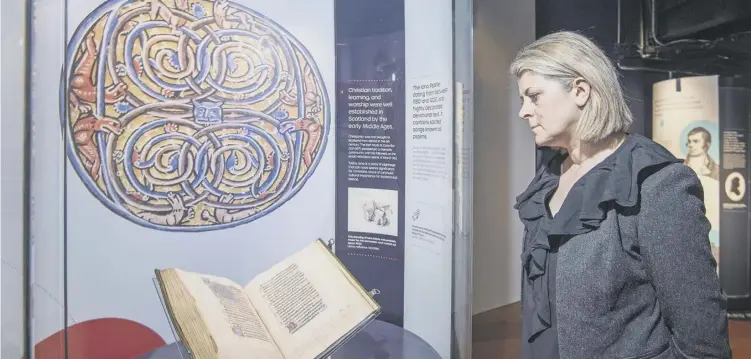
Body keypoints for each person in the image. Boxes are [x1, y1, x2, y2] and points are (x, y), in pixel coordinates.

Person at [510, 31, 731, 359]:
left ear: (580, 91)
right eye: (522, 100)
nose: (523, 111)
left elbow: (702, 340)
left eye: (534, 96)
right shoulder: (549, 177)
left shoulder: (656, 185)